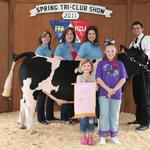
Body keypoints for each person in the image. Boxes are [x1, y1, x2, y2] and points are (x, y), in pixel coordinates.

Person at [96, 39, 127, 144]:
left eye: (112, 51)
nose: (110, 53)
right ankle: (103, 136)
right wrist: (108, 89)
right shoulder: (101, 63)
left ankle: (114, 135)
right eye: (108, 51)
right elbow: (98, 79)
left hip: (116, 94)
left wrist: (114, 90)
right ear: (105, 51)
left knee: (114, 114)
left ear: (115, 52)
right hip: (104, 93)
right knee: (104, 114)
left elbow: (123, 79)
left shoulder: (120, 64)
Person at [76, 25, 103, 121]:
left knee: (95, 96)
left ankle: (95, 117)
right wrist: (90, 62)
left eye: (93, 34)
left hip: (98, 74)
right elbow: (77, 59)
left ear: (96, 35)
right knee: (89, 97)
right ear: (86, 35)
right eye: (89, 33)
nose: (91, 35)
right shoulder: (85, 45)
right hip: (89, 74)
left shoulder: (97, 46)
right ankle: (87, 118)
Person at [127, 21, 150, 131]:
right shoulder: (132, 44)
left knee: (145, 97)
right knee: (137, 95)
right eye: (134, 29)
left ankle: (146, 122)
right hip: (135, 73)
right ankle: (139, 118)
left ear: (142, 29)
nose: (136, 30)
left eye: (138, 28)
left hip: (145, 72)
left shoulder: (147, 39)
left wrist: (145, 54)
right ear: (132, 31)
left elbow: (148, 54)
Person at [54, 27, 80, 124]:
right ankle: (65, 118)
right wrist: (62, 59)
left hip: (76, 74)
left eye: (71, 34)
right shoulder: (61, 46)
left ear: (74, 36)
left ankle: (74, 116)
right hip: (65, 74)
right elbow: (56, 58)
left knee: (75, 95)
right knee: (66, 95)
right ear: (64, 35)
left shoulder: (78, 45)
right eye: (68, 34)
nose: (70, 36)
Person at [35, 31, 58, 124]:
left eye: (48, 37)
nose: (46, 38)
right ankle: (41, 119)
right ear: (41, 39)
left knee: (51, 96)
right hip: (42, 77)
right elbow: (39, 64)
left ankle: (50, 116)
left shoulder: (51, 48)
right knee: (41, 97)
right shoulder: (40, 50)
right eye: (44, 37)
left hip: (50, 76)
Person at [76, 58, 95, 145]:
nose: (86, 67)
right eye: (84, 66)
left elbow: (97, 89)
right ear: (81, 67)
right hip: (82, 104)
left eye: (88, 66)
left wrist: (92, 84)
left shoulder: (94, 77)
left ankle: (90, 137)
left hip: (91, 103)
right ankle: (83, 137)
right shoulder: (79, 77)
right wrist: (86, 84)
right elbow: (78, 89)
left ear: (91, 67)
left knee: (91, 121)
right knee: (83, 121)